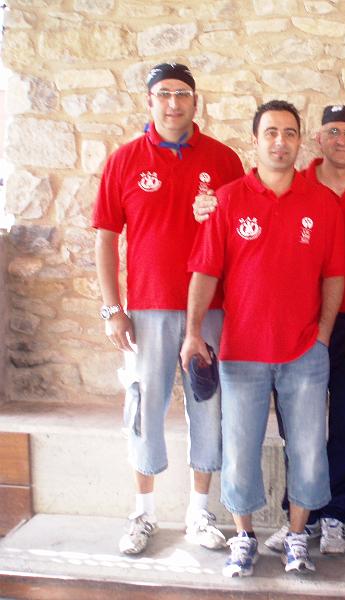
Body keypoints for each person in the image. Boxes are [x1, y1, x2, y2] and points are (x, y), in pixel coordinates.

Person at [180, 100, 345, 577]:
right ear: (255, 140)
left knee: (309, 450)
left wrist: (323, 334)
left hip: (304, 352)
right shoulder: (228, 200)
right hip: (242, 353)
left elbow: (335, 274)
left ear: (300, 141)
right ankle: (244, 538)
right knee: (240, 449)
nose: (280, 141)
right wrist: (193, 333)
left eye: (289, 133)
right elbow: (205, 272)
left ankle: (296, 537)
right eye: (271, 132)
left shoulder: (322, 203)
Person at [92, 62, 243, 556]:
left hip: (210, 310)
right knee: (144, 406)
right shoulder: (125, 161)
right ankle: (143, 513)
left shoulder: (224, 160)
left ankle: (200, 513)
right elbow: (106, 238)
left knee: (208, 405)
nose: (173, 103)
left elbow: (242, 235)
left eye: (182, 94)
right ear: (149, 100)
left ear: (196, 101)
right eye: (163, 94)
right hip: (148, 310)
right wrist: (112, 309)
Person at [264, 105, 345, 555]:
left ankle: (335, 513)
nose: (341, 139)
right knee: (299, 429)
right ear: (318, 139)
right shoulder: (294, 184)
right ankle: (299, 517)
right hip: (302, 325)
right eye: (332, 131)